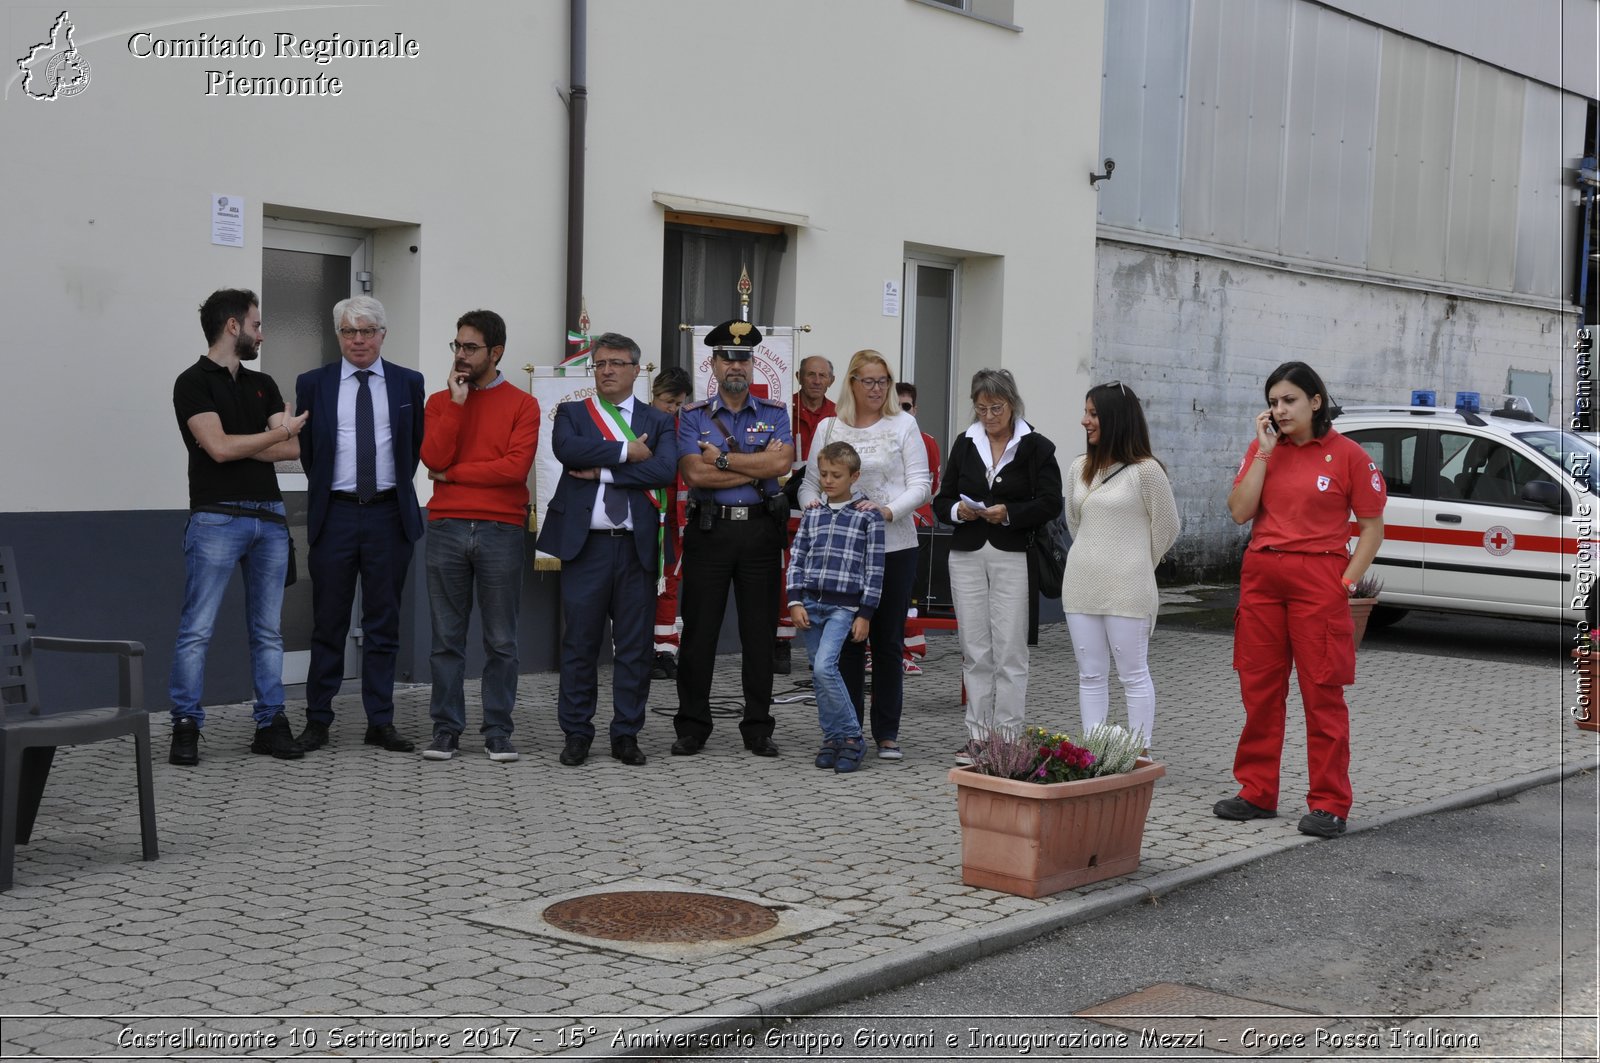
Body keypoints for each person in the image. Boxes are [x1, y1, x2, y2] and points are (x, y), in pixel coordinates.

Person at [1214, 361, 1385, 838]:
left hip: (1320, 580)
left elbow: (1372, 530)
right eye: (1272, 402)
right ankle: (1256, 791)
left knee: (1322, 693)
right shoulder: (1262, 450)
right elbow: (1239, 512)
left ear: (1315, 401)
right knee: (1260, 690)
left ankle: (1330, 802)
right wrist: (1265, 455)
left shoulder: (1348, 455)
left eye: (1289, 400)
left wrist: (1345, 583)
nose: (1279, 410)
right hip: (1263, 576)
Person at [168, 288, 308, 765]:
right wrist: (277, 433)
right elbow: (220, 449)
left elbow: (289, 452)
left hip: (269, 519)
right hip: (215, 516)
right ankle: (185, 725)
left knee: (268, 631)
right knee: (197, 629)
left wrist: (270, 437)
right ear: (233, 326)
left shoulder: (263, 382)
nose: (261, 333)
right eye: (257, 324)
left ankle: (271, 724)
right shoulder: (192, 382)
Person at [537, 333, 678, 767]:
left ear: (637, 370)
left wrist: (603, 473)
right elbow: (567, 449)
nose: (608, 370)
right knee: (579, 644)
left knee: (634, 648)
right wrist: (626, 450)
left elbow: (664, 468)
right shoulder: (574, 413)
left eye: (617, 363)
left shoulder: (658, 420)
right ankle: (577, 733)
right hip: (587, 548)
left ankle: (626, 735)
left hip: (636, 548)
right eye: (600, 364)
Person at [293, 296, 425, 755]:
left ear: (383, 335)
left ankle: (380, 721)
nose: (358, 340)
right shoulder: (314, 383)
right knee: (328, 622)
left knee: (383, 623)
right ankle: (317, 720)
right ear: (339, 337)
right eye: (349, 332)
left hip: (389, 513)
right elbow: (311, 453)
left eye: (367, 331)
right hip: (337, 515)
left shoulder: (409, 383)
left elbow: (413, 446)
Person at [419, 310, 540, 763]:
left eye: (470, 348)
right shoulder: (439, 402)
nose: (461, 356)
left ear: (496, 352)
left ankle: (497, 731)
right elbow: (431, 456)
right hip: (446, 527)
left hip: (501, 529)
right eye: (457, 346)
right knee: (446, 638)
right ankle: (446, 729)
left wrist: (451, 474)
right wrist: (455, 404)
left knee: (501, 640)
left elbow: (513, 470)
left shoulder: (523, 405)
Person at [799, 351, 930, 760]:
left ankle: (887, 732)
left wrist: (888, 511)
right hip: (840, 556)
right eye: (869, 381)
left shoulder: (904, 424)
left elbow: (921, 484)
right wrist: (813, 511)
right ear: (852, 382)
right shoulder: (829, 426)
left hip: (893, 547)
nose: (877, 389)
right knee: (846, 645)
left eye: (884, 382)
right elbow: (808, 483)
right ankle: (847, 729)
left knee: (887, 641)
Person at [672, 319, 794, 757]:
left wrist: (722, 459)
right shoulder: (693, 416)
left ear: (753, 362)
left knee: (759, 635)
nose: (736, 365)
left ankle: (758, 727)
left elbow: (781, 467)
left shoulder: (776, 414)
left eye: (743, 357)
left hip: (761, 531)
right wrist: (754, 460)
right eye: (727, 358)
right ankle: (692, 726)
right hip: (711, 530)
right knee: (699, 633)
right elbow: (692, 472)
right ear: (714, 364)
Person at [934, 368, 1062, 763]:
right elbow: (942, 500)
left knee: (1010, 650)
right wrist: (958, 510)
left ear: (1012, 404)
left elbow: (1050, 502)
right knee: (975, 650)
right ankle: (976, 735)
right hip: (968, 552)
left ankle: (1007, 737)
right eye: (981, 408)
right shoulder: (965, 442)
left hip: (1012, 553)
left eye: (996, 408)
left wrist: (1009, 513)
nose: (989, 416)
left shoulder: (1036, 446)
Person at [1063, 381, 1180, 752]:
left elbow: (1168, 527)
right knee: (1090, 675)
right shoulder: (1078, 467)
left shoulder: (1146, 471)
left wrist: (1135, 562)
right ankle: (1095, 751)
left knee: (1132, 674)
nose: (1085, 421)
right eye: (1086, 412)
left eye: (1093, 413)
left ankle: (1139, 750)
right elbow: (1074, 521)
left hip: (1128, 588)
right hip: (1081, 584)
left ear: (1116, 418)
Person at [787, 441, 884, 775]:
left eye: (836, 475)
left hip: (843, 607)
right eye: (824, 474)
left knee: (825, 668)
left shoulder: (868, 516)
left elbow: (874, 569)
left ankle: (853, 737)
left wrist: (866, 613)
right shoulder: (812, 514)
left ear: (854, 476)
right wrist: (794, 599)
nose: (828, 480)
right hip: (810, 604)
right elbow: (797, 557)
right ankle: (832, 737)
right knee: (817, 672)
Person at [773, 355, 838, 675]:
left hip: (828, 506)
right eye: (810, 374)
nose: (815, 380)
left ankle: (826, 647)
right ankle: (781, 642)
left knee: (825, 575)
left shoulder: (840, 416)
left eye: (821, 375)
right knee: (787, 576)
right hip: (788, 503)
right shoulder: (784, 409)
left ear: (831, 380)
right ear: (798, 376)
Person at [894, 381, 942, 676]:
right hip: (886, 525)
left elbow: (933, 485)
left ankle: (910, 649)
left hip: (917, 524)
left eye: (906, 406)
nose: (901, 411)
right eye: (895, 406)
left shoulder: (928, 441)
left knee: (913, 591)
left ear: (915, 408)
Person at [649, 367, 692, 682]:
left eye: (678, 404)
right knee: (640, 587)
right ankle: (642, 651)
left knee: (669, 584)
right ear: (654, 396)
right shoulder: (640, 425)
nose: (673, 409)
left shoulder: (684, 430)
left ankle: (666, 649)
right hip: (646, 516)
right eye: (668, 402)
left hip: (675, 519)